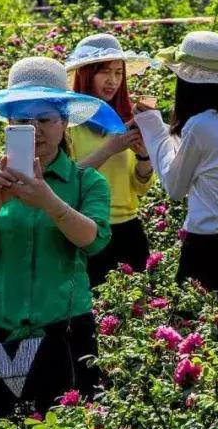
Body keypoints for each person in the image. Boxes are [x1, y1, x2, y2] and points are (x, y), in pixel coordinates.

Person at [0, 57, 125, 419]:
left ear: (65, 123)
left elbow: (93, 240)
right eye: (21, 122)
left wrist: (48, 200)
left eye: (44, 119)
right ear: (8, 127)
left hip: (64, 330)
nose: (35, 130)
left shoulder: (85, 183)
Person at [133, 31, 218, 303]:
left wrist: (153, 129)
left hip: (205, 245)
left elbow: (174, 187)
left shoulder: (200, 126)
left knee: (191, 326)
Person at [65, 34, 157, 287]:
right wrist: (108, 150)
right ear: (85, 73)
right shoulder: (67, 124)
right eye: (104, 72)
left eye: (119, 73)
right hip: (86, 230)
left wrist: (143, 155)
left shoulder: (126, 120)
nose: (113, 81)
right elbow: (65, 178)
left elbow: (140, 187)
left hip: (128, 231)